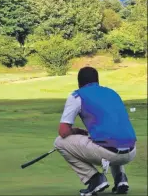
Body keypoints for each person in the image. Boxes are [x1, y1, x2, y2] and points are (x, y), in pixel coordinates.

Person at [54, 66, 137, 196]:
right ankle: (120, 178)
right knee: (113, 139)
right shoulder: (112, 93)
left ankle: (94, 179)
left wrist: (75, 131)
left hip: (109, 152)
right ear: (97, 80)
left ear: (79, 82)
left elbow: (63, 131)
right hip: (131, 151)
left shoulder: (77, 95)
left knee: (59, 142)